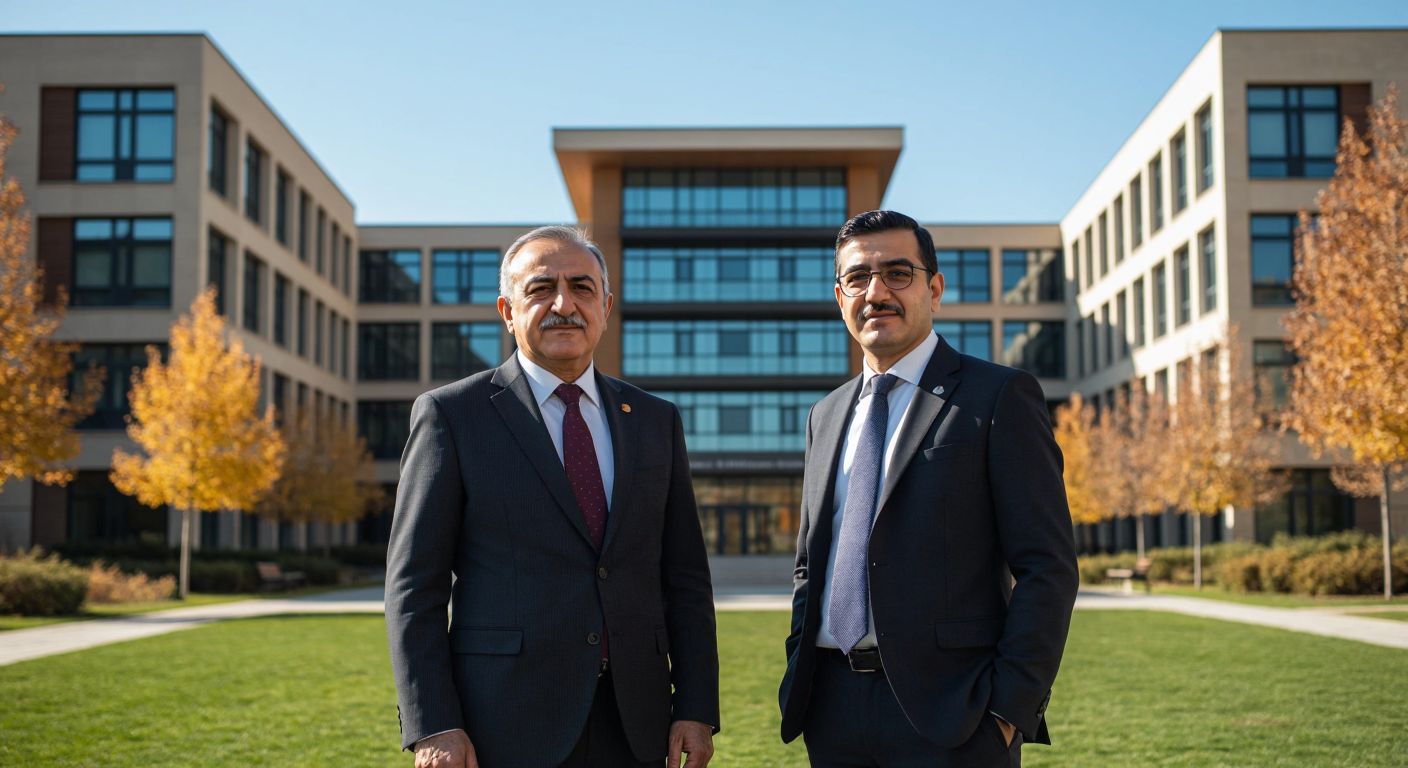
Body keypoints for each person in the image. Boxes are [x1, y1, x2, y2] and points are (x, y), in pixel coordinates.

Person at [386, 226, 719, 768]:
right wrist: (434, 723)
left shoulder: (655, 420)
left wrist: (697, 705)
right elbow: (413, 587)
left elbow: (684, 577)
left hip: (638, 723)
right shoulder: (453, 415)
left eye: (582, 287)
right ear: (507, 310)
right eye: (541, 289)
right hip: (503, 721)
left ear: (606, 307)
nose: (565, 304)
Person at [778, 210, 1079, 767]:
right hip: (832, 710)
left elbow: (1048, 566)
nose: (877, 292)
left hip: (955, 717)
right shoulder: (826, 414)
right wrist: (801, 667)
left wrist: (1009, 709)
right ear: (838, 295)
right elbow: (809, 564)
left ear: (934, 288)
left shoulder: (998, 396)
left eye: (898, 273)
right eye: (858, 278)